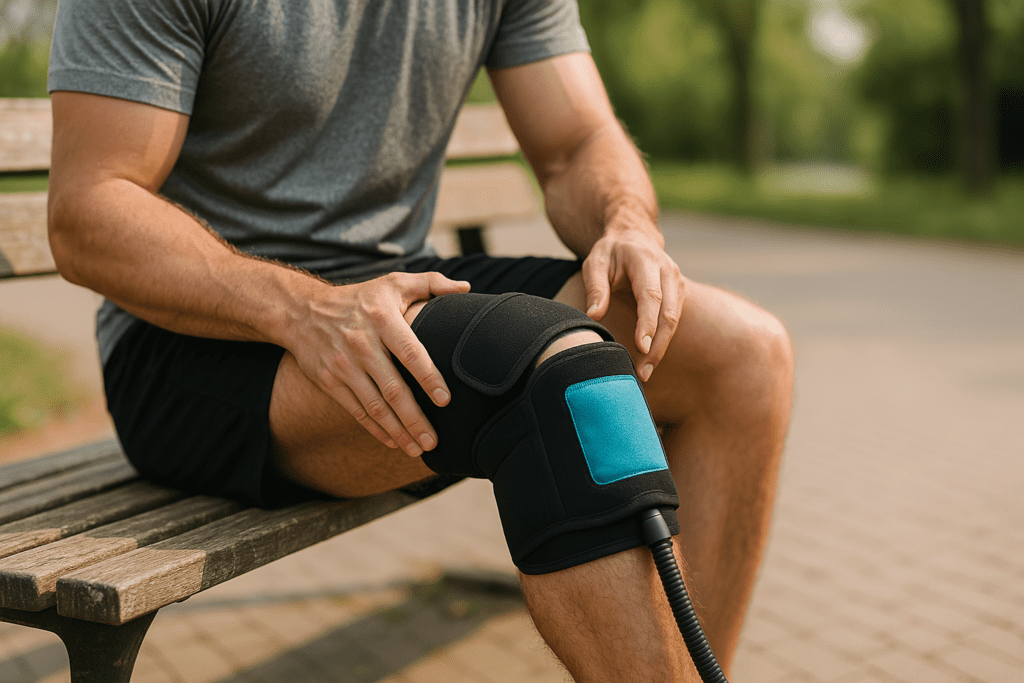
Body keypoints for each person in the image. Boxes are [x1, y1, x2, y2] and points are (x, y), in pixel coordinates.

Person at [46, 0, 793, 680]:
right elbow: (90, 210)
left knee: (744, 353)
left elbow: (575, 143)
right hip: (193, 338)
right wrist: (305, 309)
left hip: (390, 291)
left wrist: (625, 220)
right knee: (548, 377)